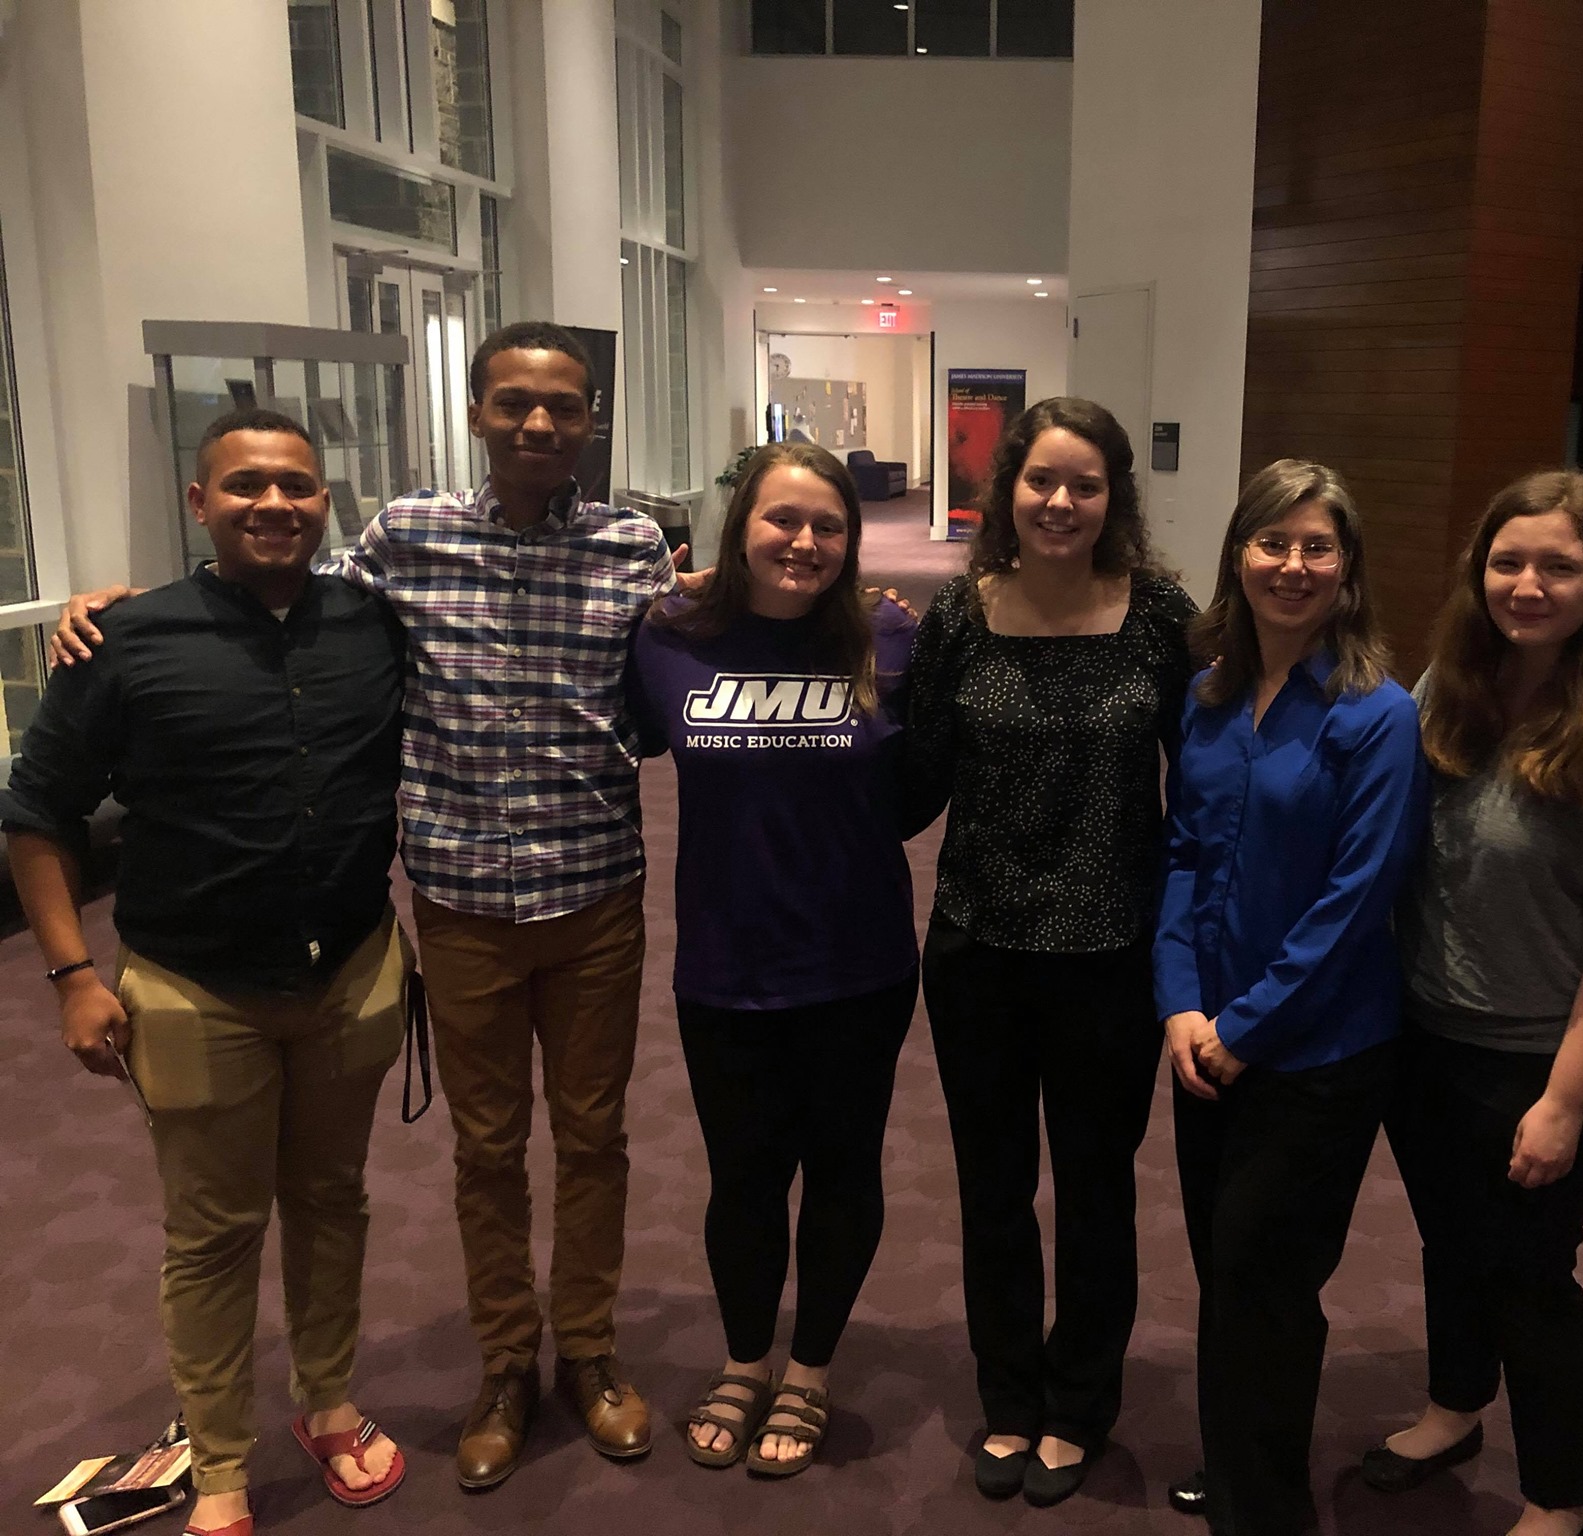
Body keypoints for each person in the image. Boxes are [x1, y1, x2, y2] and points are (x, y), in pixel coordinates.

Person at [51, 322, 678, 1489]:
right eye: (513, 405)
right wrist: (123, 610)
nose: (538, 425)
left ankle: (587, 1351)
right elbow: (271, 594)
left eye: (562, 406)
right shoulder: (406, 538)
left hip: (594, 895)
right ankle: (505, 1363)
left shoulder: (635, 547)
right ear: (478, 416)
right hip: (460, 902)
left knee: (594, 1138)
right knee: (488, 1148)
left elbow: (714, 623)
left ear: (589, 420)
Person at [3, 410, 411, 1536]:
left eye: (296, 485)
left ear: (326, 499)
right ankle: (220, 1459)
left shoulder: (378, 623)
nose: (272, 504)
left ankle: (326, 1403)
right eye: (244, 487)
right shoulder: (125, 641)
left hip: (353, 973)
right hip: (193, 989)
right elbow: (37, 813)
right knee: (215, 1229)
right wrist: (72, 976)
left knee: (333, 1202)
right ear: (199, 504)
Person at [1362, 470, 1583, 1536]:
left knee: (1528, 1276)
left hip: (1541, 1055)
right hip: (1424, 1037)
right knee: (1448, 1243)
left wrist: (1563, 1099)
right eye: (1508, 561)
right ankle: (1452, 1406)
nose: (1527, 584)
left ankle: (1561, 1496)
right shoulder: (1443, 689)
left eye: (1557, 566)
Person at [904, 397, 1197, 1506]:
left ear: (1113, 498)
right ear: (1005, 494)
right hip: (976, 948)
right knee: (991, 1188)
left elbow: (1208, 783)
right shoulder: (958, 616)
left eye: (1084, 485)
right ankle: (1007, 1398)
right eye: (1039, 482)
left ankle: (1079, 1403)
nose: (1059, 504)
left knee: (1092, 1189)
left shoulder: (1162, 616)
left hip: (1108, 954)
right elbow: (915, 777)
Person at [630, 442, 925, 1478]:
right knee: (743, 1177)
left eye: (827, 526)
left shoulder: (888, 636)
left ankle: (809, 1369)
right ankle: (745, 1357)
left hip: (860, 963)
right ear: (738, 529)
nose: (804, 542)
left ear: (849, 543)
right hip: (724, 964)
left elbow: (918, 792)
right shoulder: (669, 637)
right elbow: (617, 730)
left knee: (843, 1170)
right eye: (781, 520)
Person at [1156, 458, 1427, 1536]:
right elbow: (1180, 854)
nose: (1292, 564)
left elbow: (1354, 902)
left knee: (1264, 1281)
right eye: (1272, 542)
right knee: (1221, 1274)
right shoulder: (1211, 692)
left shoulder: (1377, 714)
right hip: (1203, 1038)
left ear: (1347, 569)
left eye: (1317, 546)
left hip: (1315, 1055)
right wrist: (1180, 1003)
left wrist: (1243, 1026)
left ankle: (1265, 1511)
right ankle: (1235, 1470)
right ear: (1238, 555)